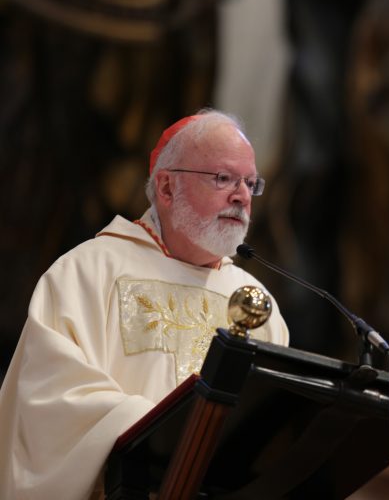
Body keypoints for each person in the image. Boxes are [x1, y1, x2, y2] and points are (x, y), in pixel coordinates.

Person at [0, 109, 290, 499]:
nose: (241, 196)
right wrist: (171, 436)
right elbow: (50, 403)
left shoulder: (256, 302)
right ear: (167, 188)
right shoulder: (88, 273)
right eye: (223, 178)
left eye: (250, 183)